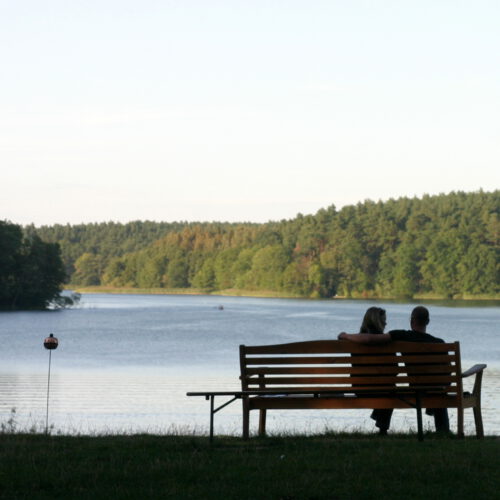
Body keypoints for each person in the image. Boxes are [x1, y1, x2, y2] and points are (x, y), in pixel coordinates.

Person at [338, 306, 450, 435]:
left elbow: (369, 339)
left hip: (411, 388)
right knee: (436, 388)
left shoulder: (401, 335)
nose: (386, 323)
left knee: (391, 387)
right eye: (384, 320)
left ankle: (382, 427)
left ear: (411, 320)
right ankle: (443, 430)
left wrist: (345, 335)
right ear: (428, 321)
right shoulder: (440, 343)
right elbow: (447, 372)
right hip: (435, 390)